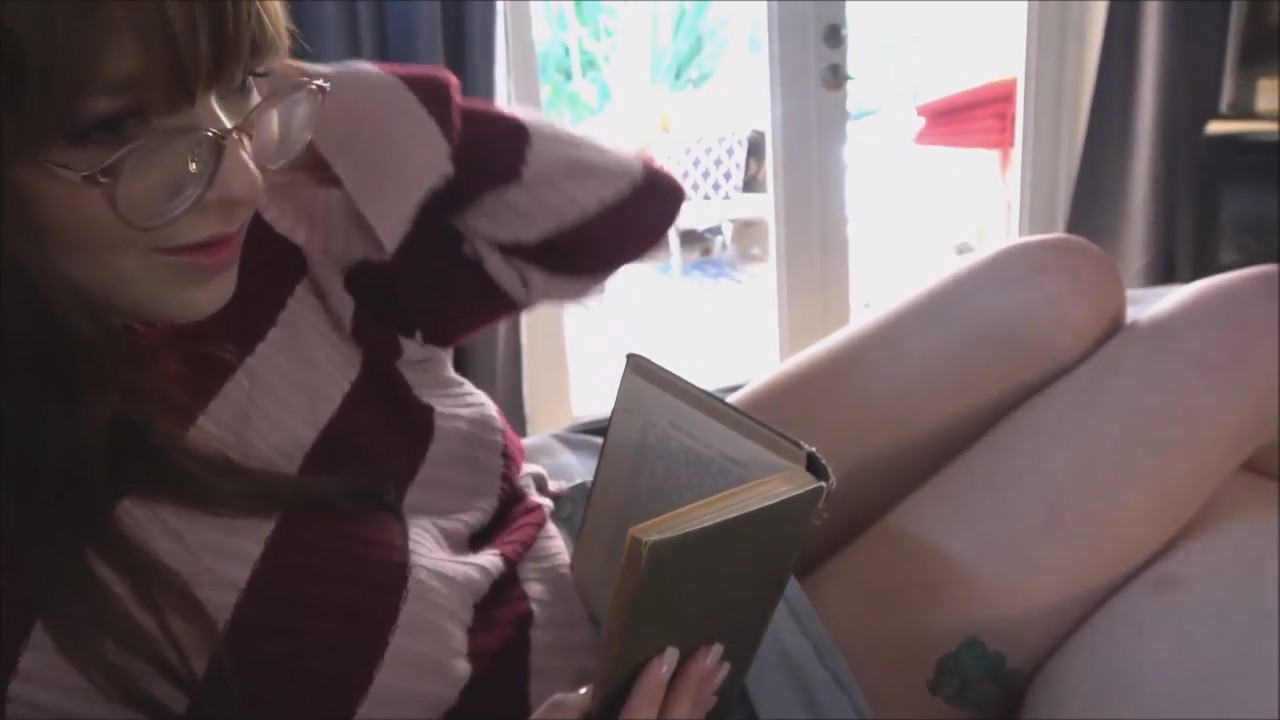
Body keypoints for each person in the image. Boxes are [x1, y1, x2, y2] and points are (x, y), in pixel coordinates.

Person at [1, 1, 1275, 718]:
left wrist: (328, 105)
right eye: (118, 129)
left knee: (1060, 278)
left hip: (571, 529)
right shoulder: (50, 563)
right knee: (1250, 326)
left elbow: (613, 213)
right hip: (641, 698)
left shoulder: (259, 215)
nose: (228, 173)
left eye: (233, 88)